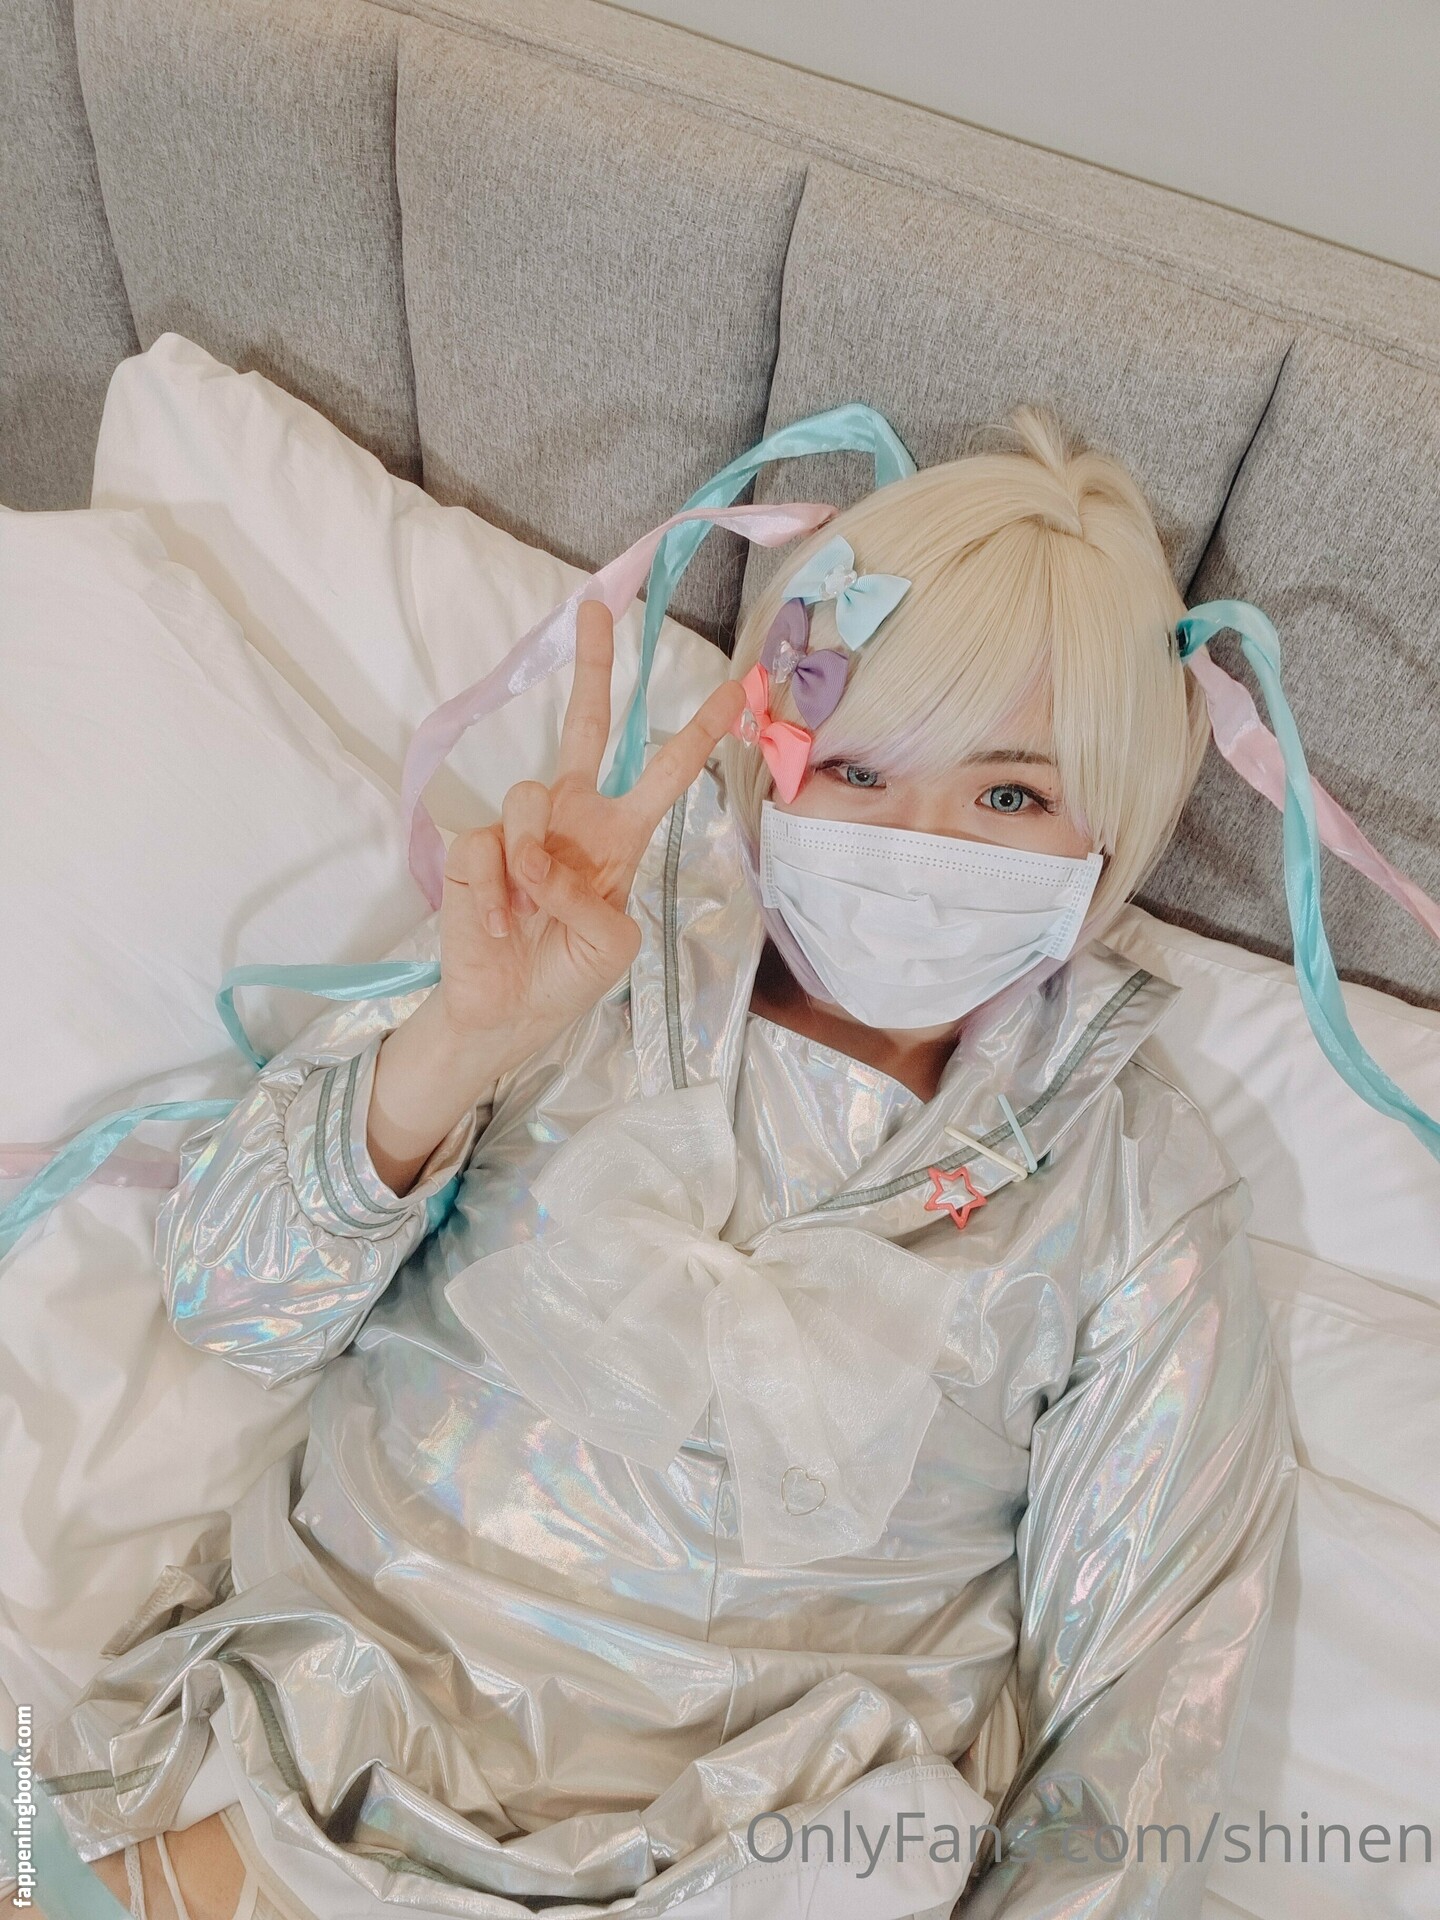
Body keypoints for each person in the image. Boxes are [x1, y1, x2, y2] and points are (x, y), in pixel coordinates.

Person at [46, 407, 1296, 1920]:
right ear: (777, 761)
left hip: (740, 1865)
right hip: (311, 1743)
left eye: (1012, 795)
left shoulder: (1134, 1191)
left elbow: (1144, 1723)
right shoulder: (579, 941)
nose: (927, 842)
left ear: (1117, 822)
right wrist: (457, 1041)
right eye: (861, 772)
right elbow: (229, 1305)